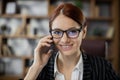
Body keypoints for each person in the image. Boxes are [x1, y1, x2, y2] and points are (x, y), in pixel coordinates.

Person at [24, 3, 119, 80]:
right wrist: (36, 67)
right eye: (57, 32)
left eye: (73, 31)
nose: (65, 40)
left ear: (84, 32)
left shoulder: (103, 67)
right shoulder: (40, 67)